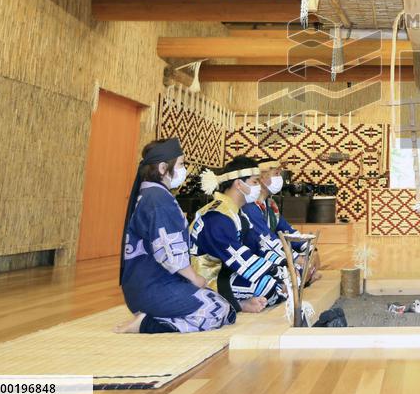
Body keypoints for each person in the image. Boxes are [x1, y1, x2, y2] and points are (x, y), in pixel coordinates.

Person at [115, 138, 235, 334]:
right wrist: (195, 278)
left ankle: (153, 315)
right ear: (163, 168)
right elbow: (170, 251)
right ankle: (147, 324)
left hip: (144, 286)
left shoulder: (151, 194)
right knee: (219, 309)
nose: (184, 169)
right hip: (154, 288)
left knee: (216, 301)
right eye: (180, 164)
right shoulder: (159, 199)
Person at [189, 157, 289, 313]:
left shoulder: (237, 213)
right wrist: (276, 272)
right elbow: (239, 257)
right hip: (207, 278)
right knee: (268, 286)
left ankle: (239, 303)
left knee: (284, 281)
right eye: (255, 182)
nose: (259, 187)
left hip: (228, 270)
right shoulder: (216, 216)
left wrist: (286, 266)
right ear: (238, 184)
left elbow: (259, 246)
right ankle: (237, 304)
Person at [242, 159, 321, 286]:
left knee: (304, 266)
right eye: (276, 174)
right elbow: (268, 240)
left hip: (268, 254)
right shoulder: (249, 208)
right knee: (298, 270)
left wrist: (311, 250)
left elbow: (287, 231)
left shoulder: (270, 204)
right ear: (261, 178)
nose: (280, 178)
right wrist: (296, 259)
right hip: (253, 259)